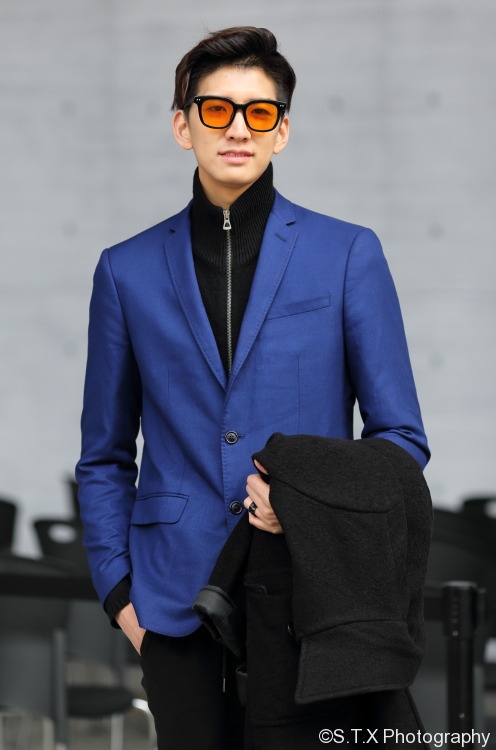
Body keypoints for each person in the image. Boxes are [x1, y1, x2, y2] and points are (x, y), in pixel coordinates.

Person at [76, 26, 430, 750]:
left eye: (259, 112)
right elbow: (104, 455)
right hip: (172, 604)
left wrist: (303, 495)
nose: (238, 128)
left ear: (282, 131)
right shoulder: (124, 270)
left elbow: (401, 441)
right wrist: (121, 597)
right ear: (183, 126)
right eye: (217, 109)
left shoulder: (347, 253)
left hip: (309, 597)